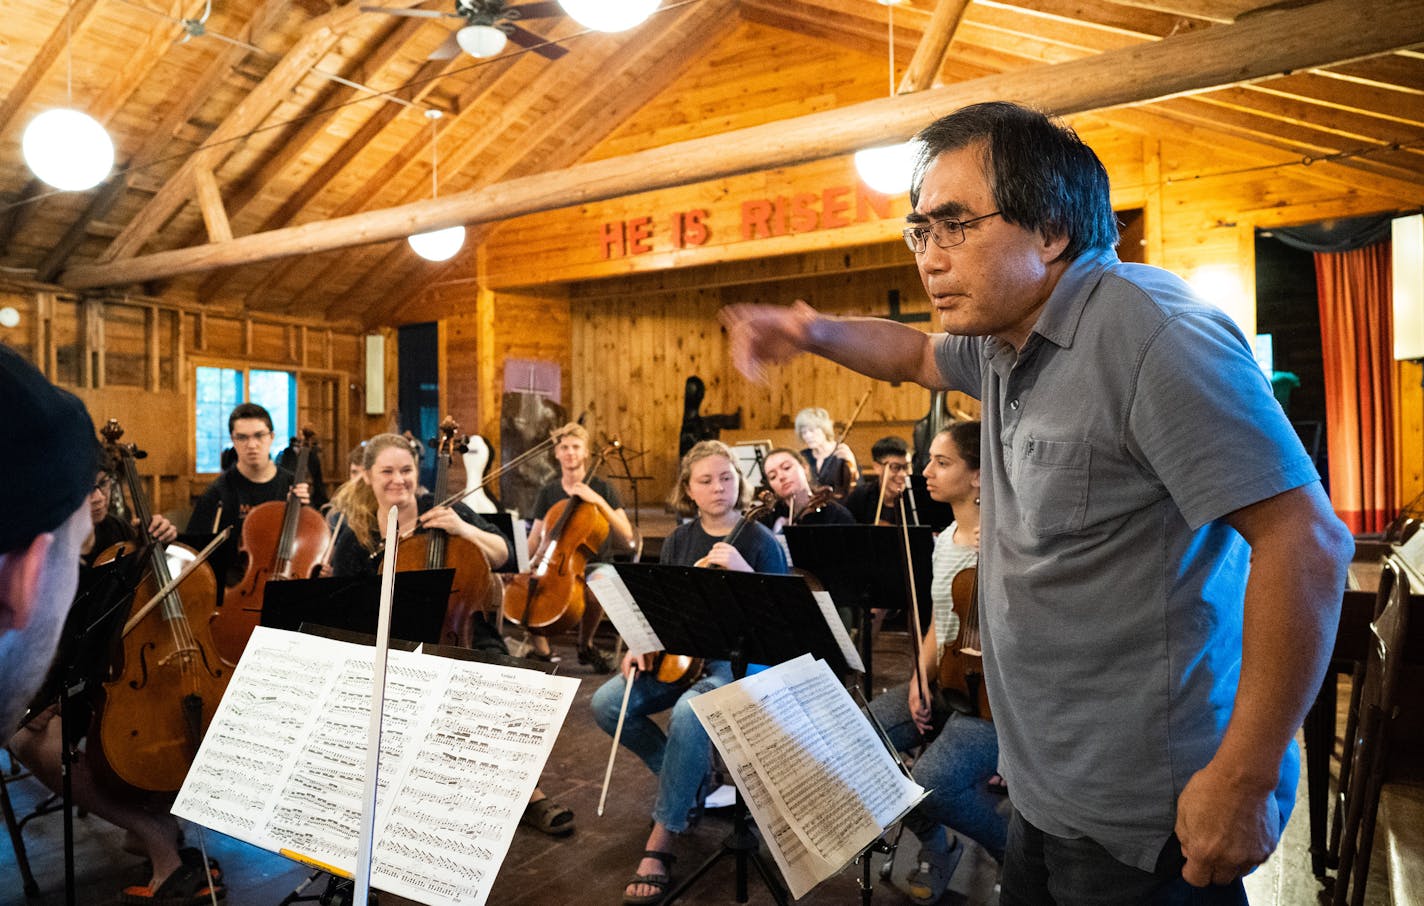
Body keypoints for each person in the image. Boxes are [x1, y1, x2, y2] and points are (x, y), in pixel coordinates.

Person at [722, 101, 1353, 902]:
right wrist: (810, 330)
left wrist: (1245, 775)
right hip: (1043, 789)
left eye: (953, 226)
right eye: (920, 231)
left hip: (1140, 810)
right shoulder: (1004, 338)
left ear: (1050, 231)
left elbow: (1306, 542)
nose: (929, 258)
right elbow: (914, 353)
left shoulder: (1151, 334)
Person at [325, 434, 574, 837]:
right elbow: (342, 600)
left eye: (405, 470)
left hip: (463, 628)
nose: (398, 480)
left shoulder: (444, 509)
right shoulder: (357, 532)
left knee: (501, 685)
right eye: (386, 471)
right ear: (368, 475)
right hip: (393, 643)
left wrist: (463, 529)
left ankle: (530, 793)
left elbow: (505, 553)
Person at [590, 440, 788, 904]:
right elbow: (663, 608)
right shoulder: (680, 540)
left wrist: (742, 571)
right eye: (706, 480)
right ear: (688, 489)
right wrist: (640, 644)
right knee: (607, 703)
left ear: (739, 482)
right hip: (681, 656)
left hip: (741, 661)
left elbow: (780, 624)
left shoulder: (760, 540)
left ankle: (663, 838)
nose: (719, 487)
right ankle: (687, 780)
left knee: (689, 712)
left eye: (726, 477)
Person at [869, 422, 1004, 904]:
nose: (925, 471)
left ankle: (1013, 849)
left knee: (934, 782)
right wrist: (917, 680)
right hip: (946, 680)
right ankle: (936, 842)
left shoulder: (1008, 539)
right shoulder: (943, 539)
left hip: (994, 701)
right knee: (860, 742)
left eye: (941, 462)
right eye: (929, 460)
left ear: (979, 476)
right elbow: (939, 625)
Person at [523, 422, 637, 673]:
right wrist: (522, 565)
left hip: (596, 561)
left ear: (586, 452)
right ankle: (542, 650)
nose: (570, 452)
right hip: (556, 561)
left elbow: (627, 536)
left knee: (599, 586)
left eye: (576, 447)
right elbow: (534, 539)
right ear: (556, 453)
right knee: (526, 584)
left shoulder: (603, 488)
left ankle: (585, 645)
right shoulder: (548, 492)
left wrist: (596, 500)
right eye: (564, 447)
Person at [186, 403, 309, 585]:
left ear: (271, 437)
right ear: (233, 440)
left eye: (259, 435)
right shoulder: (216, 493)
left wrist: (305, 512)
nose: (252, 445)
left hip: (286, 582)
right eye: (242, 437)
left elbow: (309, 545)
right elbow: (194, 554)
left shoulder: (293, 487)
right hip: (234, 591)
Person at [759, 447, 856, 531]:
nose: (781, 477)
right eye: (773, 476)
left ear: (805, 468)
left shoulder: (835, 516)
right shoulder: (769, 519)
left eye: (786, 468)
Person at [844, 435, 913, 526]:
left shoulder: (917, 499)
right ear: (877, 467)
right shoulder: (860, 497)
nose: (903, 474)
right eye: (895, 467)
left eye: (906, 466)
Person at [794, 406, 858, 499]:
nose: (807, 436)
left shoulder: (841, 453)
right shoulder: (803, 456)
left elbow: (857, 488)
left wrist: (851, 462)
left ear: (824, 429)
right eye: (804, 432)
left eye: (812, 430)